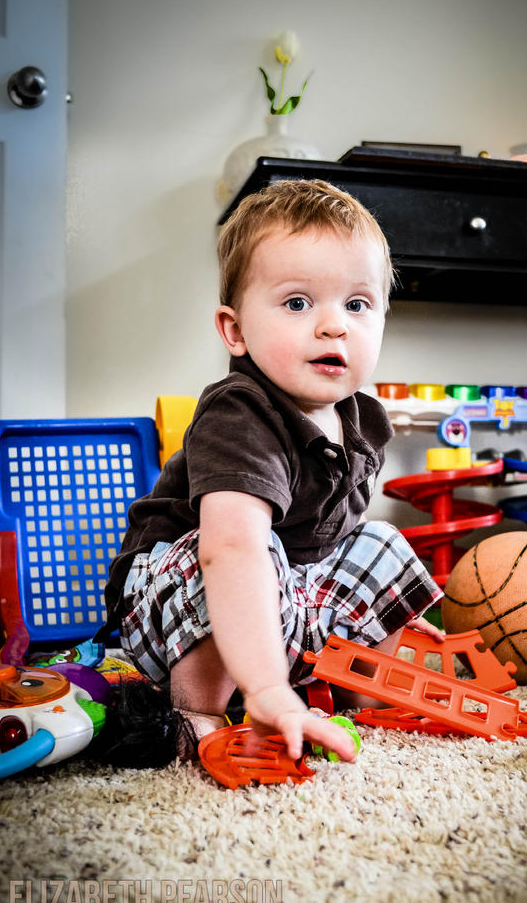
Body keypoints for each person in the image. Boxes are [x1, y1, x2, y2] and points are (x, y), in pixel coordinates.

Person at [101, 179, 443, 766]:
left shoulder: (363, 421)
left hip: (282, 593)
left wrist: (387, 610)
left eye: (357, 305)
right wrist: (264, 687)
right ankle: (201, 710)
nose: (334, 326)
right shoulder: (239, 412)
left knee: (382, 542)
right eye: (298, 303)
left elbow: (335, 545)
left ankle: (362, 694)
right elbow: (230, 552)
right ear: (235, 331)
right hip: (174, 605)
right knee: (240, 546)